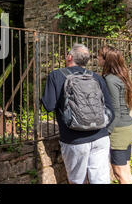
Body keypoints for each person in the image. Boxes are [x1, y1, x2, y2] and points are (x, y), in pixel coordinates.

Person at [42, 43, 115, 184]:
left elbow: (49, 106)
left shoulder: (56, 76)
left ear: (69, 57)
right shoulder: (96, 77)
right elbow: (110, 109)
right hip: (100, 137)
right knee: (100, 180)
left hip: (74, 139)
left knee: (77, 181)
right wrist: (99, 125)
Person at [98, 45, 132, 184]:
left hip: (118, 131)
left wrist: (107, 131)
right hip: (127, 127)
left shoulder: (110, 79)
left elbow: (116, 110)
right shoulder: (121, 77)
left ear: (106, 60)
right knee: (126, 171)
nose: (97, 58)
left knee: (120, 173)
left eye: (99, 56)